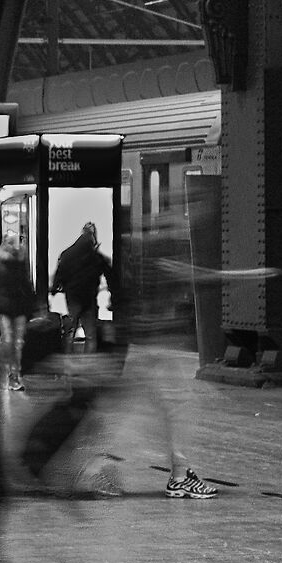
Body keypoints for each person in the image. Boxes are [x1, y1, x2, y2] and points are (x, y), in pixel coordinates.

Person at [109, 212, 218, 499]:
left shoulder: (143, 255)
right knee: (178, 410)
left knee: (136, 409)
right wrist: (228, 277)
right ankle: (180, 476)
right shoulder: (161, 256)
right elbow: (189, 275)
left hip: (147, 344)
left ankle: (179, 473)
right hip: (157, 345)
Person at [0, 238, 38, 390]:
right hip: (4, 308)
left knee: (17, 343)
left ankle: (14, 376)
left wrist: (33, 304)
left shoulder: (19, 261)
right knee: (8, 342)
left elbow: (26, 284)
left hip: (18, 307)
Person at [52, 221, 111, 351]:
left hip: (72, 297)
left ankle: (67, 359)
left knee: (69, 332)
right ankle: (88, 359)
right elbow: (109, 273)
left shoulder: (67, 254)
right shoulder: (96, 256)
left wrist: (54, 289)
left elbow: (60, 273)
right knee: (90, 335)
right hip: (89, 298)